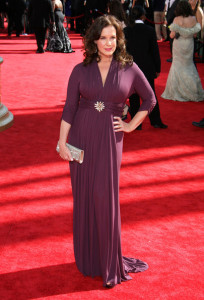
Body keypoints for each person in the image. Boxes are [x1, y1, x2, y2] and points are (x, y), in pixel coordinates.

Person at [58, 15, 156, 288]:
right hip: (81, 138)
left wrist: (131, 124)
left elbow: (149, 98)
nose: (109, 42)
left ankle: (108, 259)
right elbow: (69, 108)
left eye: (113, 37)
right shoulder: (80, 70)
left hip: (111, 140)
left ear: (119, 39)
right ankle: (89, 258)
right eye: (103, 37)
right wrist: (62, 143)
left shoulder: (129, 67)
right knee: (85, 196)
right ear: (94, 40)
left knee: (105, 197)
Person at [124, 5, 167, 129]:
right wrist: (157, 69)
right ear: (143, 16)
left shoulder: (126, 31)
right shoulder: (149, 30)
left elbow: (124, 52)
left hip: (131, 68)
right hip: (147, 68)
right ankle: (156, 121)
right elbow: (154, 52)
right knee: (150, 95)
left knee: (133, 96)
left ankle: (136, 124)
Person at [161, 0, 204, 102]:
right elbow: (194, 34)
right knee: (189, 65)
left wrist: (177, 32)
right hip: (189, 44)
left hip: (179, 44)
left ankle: (178, 91)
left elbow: (171, 35)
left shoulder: (176, 19)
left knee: (177, 65)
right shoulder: (193, 19)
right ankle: (192, 90)